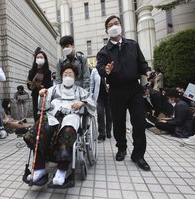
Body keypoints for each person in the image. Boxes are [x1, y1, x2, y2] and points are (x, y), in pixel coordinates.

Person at [23, 63, 96, 186]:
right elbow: (44, 107)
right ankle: (39, 169)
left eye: (70, 74)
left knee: (68, 131)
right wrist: (43, 95)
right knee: (40, 128)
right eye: (65, 74)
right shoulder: (54, 89)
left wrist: (82, 102)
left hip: (71, 116)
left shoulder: (80, 91)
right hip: (54, 116)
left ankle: (61, 172)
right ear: (61, 76)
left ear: (75, 77)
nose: (67, 76)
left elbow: (92, 102)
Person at [96, 15, 152, 171]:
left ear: (121, 25)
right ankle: (121, 148)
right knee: (119, 123)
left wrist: (147, 71)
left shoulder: (132, 45)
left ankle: (138, 155)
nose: (114, 26)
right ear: (106, 30)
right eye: (110, 25)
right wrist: (105, 70)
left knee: (139, 123)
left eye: (116, 23)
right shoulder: (104, 52)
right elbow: (100, 69)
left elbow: (142, 63)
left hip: (134, 90)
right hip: (115, 91)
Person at [27, 50, 52, 122]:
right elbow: (28, 84)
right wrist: (31, 85)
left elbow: (49, 85)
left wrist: (41, 86)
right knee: (36, 115)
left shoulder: (47, 72)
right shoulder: (31, 71)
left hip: (44, 96)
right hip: (35, 95)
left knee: (43, 115)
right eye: (37, 57)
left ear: (45, 59)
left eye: (41, 57)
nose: (39, 58)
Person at [90, 68, 112, 141]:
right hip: (99, 96)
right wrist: (91, 96)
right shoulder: (95, 70)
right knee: (100, 113)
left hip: (109, 96)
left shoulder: (110, 67)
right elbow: (91, 84)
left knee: (109, 114)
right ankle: (102, 133)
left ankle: (108, 131)